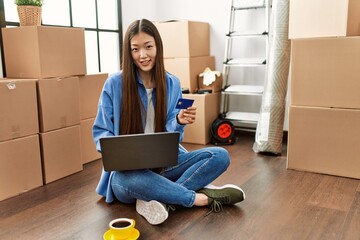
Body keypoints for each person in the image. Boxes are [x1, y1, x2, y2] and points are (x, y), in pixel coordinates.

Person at [93, 18, 245, 225]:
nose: (143, 55)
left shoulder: (171, 83)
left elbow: (174, 138)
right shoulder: (114, 83)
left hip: (164, 166)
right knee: (123, 179)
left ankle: (160, 199)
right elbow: (101, 132)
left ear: (158, 46)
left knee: (220, 155)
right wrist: (117, 152)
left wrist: (179, 121)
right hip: (129, 173)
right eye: (135, 49)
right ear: (128, 52)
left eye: (148, 47)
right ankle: (197, 198)